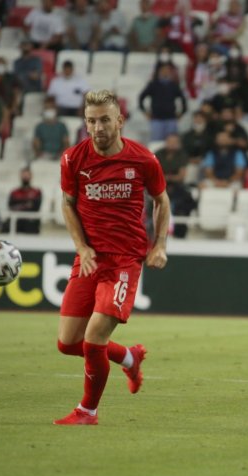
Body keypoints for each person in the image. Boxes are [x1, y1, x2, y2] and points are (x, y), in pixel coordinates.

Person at [54, 90, 170, 426]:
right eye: (91, 120)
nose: (98, 127)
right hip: (89, 259)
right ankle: (129, 357)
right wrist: (81, 247)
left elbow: (161, 200)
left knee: (93, 340)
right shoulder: (72, 159)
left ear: (120, 120)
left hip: (123, 261)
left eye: (105, 119)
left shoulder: (144, 159)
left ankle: (87, 411)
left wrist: (159, 244)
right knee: (68, 343)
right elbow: (67, 204)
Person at [138, 63, 188, 142]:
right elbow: (141, 97)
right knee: (156, 143)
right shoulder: (153, 84)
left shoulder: (173, 85)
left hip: (171, 119)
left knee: (172, 142)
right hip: (157, 119)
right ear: (159, 72)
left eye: (167, 71)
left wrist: (182, 112)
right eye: (163, 70)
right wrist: (144, 111)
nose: (165, 72)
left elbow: (183, 98)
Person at [6, 167, 43, 234]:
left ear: (31, 176)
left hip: (31, 224)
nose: (25, 177)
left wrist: (19, 205)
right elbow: (11, 207)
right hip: (17, 223)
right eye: (23, 175)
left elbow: (35, 207)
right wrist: (27, 204)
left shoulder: (36, 192)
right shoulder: (14, 192)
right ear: (20, 176)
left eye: (27, 175)